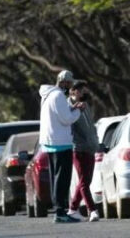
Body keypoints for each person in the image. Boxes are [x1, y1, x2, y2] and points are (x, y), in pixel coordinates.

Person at [39, 70, 83, 223]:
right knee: (62, 179)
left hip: (51, 142)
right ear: (64, 82)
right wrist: (78, 110)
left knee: (56, 178)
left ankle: (59, 210)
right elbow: (66, 119)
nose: (71, 88)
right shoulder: (58, 96)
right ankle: (60, 211)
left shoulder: (49, 96)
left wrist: (71, 108)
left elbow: (59, 115)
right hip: (60, 143)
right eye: (70, 84)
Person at [67, 80, 100, 222]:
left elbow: (91, 125)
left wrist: (95, 140)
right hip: (78, 148)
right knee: (84, 182)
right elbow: (67, 121)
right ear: (73, 91)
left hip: (90, 148)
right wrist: (74, 109)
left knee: (85, 181)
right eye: (80, 90)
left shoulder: (86, 105)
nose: (83, 92)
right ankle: (92, 210)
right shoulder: (68, 106)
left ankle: (73, 209)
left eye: (84, 90)